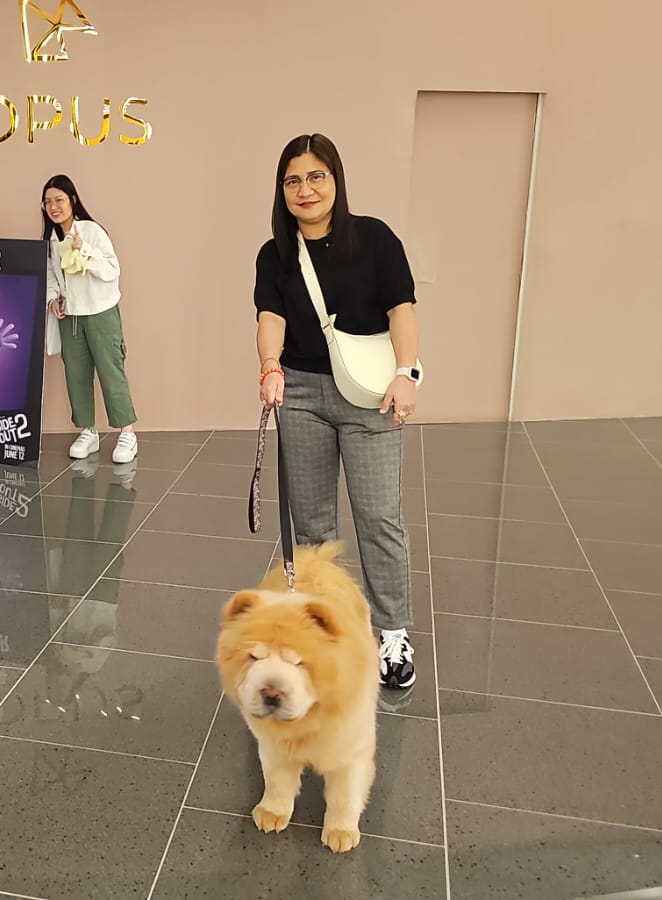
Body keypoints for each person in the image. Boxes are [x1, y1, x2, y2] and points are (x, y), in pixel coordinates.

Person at [253, 133, 421, 691]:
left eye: (316, 176)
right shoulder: (275, 254)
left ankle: (392, 632)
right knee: (312, 524)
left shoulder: (374, 238)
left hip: (370, 395)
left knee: (378, 517)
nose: (305, 189)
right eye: (293, 180)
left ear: (335, 180)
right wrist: (270, 366)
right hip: (301, 395)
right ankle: (321, 628)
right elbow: (270, 316)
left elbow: (402, 309)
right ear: (282, 190)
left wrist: (406, 373)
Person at [42, 174, 139, 464]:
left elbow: (112, 270)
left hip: (100, 313)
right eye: (47, 202)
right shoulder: (51, 239)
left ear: (72, 200)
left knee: (111, 372)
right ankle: (88, 430)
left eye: (59, 199)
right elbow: (51, 275)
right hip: (70, 317)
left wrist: (82, 248)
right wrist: (52, 299)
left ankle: (127, 432)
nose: (53, 206)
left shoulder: (91, 231)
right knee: (76, 375)